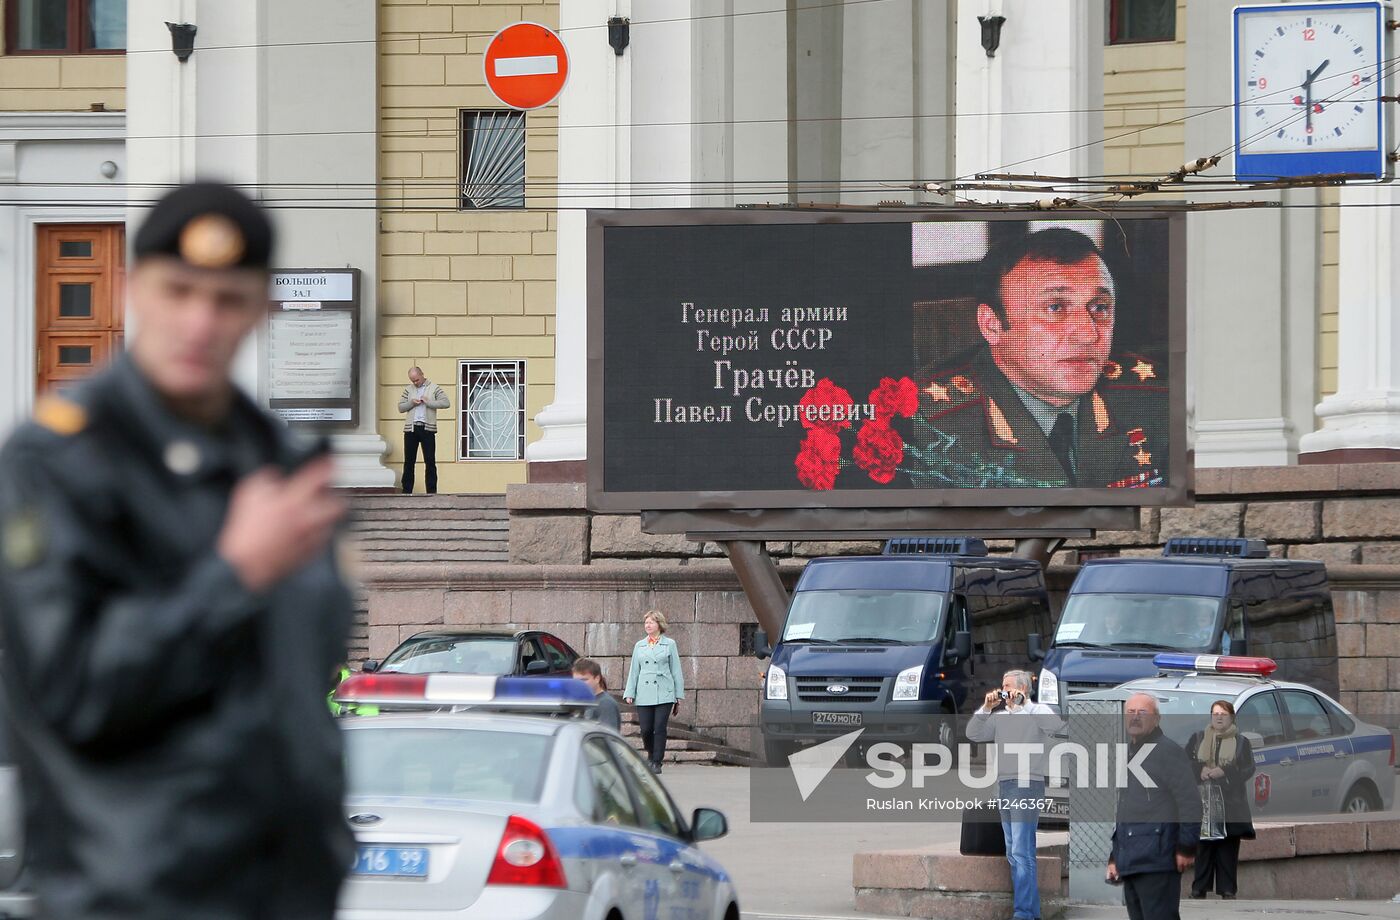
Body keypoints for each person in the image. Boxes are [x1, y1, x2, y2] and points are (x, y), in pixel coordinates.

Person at [0, 183, 354, 919]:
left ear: (260, 307)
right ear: (134, 290)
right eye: (179, 290)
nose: (200, 322)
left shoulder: (278, 461)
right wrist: (234, 575)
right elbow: (74, 690)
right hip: (136, 896)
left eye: (227, 299)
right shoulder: (59, 461)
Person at [908, 228, 1169, 489]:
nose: (1088, 334)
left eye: (1100, 307)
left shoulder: (1157, 397)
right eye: (1055, 308)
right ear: (992, 325)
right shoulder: (922, 422)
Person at [965, 670, 1065, 920]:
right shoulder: (1000, 718)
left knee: (1021, 851)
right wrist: (985, 709)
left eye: (1008, 686)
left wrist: (1025, 704)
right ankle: (1030, 912)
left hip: (1027, 785)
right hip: (1005, 785)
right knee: (1014, 852)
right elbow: (973, 734)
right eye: (1002, 685)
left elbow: (1058, 728)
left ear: (1021, 689)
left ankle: (1023, 912)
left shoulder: (1037, 712)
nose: (1004, 690)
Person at [1107, 693, 1201, 920]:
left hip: (1159, 859)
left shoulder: (1167, 751)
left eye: (1143, 712)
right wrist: (1115, 857)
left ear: (1157, 719)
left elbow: (1190, 802)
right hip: (1133, 860)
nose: (1135, 717)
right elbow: (1127, 808)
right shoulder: (1131, 752)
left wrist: (1187, 847)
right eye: (1130, 712)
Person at [1186, 700, 1255, 900]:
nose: (1218, 717)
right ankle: (1199, 888)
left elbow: (1248, 768)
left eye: (1223, 714)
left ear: (1231, 717)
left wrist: (1224, 772)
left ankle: (1227, 889)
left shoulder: (1241, 742)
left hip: (1230, 802)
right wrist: (1201, 770)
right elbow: (1185, 762)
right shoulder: (1198, 738)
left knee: (1227, 846)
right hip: (1203, 800)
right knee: (1204, 846)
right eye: (1215, 713)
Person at [623, 610, 685, 774]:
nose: (647, 625)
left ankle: (657, 761)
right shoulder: (640, 645)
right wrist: (630, 692)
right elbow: (634, 670)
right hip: (644, 692)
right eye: (646, 623)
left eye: (651, 622)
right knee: (645, 729)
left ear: (659, 624)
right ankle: (651, 755)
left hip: (664, 691)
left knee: (659, 727)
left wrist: (678, 695)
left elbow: (676, 670)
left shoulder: (669, 644)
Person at [397, 365, 450, 494]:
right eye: (412, 380)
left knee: (430, 461)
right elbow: (400, 407)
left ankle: (431, 491)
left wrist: (429, 402)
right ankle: (407, 490)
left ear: (422, 375)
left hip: (427, 428)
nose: (415, 383)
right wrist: (411, 403)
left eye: (416, 380)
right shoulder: (408, 390)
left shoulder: (434, 388)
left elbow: (446, 403)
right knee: (409, 461)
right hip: (411, 429)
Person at [573, 658, 621, 731]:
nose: (580, 684)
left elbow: (608, 736)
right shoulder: (580, 702)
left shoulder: (606, 703)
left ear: (597, 678)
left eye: (584, 680)